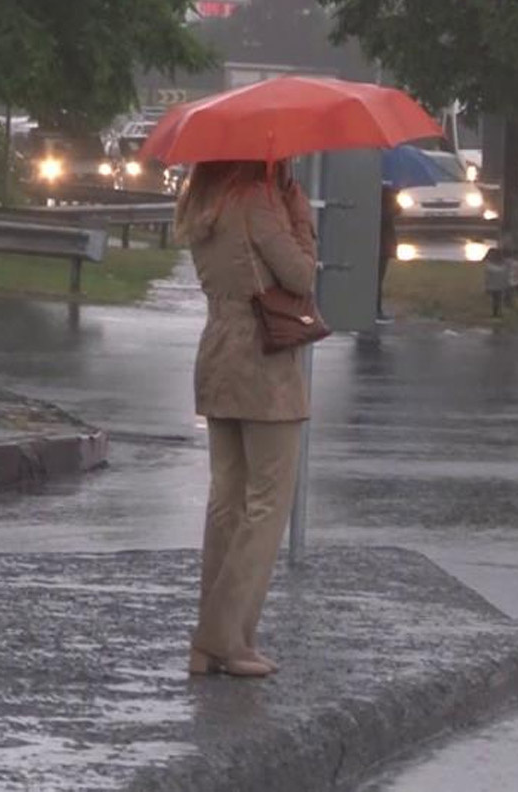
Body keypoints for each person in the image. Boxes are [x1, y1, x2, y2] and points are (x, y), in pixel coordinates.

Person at [174, 161, 317, 678]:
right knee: (267, 502)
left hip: (217, 349)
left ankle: (219, 643)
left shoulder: (200, 200)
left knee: (226, 498)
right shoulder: (257, 200)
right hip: (262, 359)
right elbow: (299, 274)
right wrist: (301, 218)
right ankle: (221, 636)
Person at [377, 184, 400, 322]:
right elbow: (395, 211)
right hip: (382, 245)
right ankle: (376, 310)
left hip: (381, 245)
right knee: (377, 280)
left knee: (376, 280)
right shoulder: (386, 197)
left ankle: (375, 309)